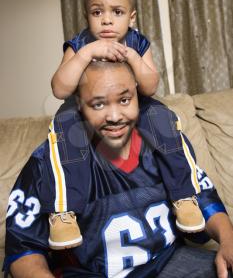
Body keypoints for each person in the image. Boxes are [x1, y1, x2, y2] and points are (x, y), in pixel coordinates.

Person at [3, 61, 233, 278]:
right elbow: (23, 250)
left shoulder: (167, 147)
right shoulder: (51, 161)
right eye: (98, 104)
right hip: (89, 273)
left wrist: (228, 241)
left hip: (166, 261)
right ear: (79, 104)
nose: (114, 117)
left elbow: (204, 200)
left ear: (137, 96)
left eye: (124, 100)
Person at [47, 0, 204, 250]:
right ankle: (63, 212)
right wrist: (85, 54)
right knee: (64, 124)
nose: (107, 20)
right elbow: (59, 89)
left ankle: (184, 196)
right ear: (87, 16)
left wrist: (132, 57)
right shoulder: (80, 43)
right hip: (86, 108)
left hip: (131, 105)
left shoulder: (137, 43)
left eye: (116, 12)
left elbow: (151, 85)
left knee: (163, 118)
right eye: (98, 12)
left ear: (131, 17)